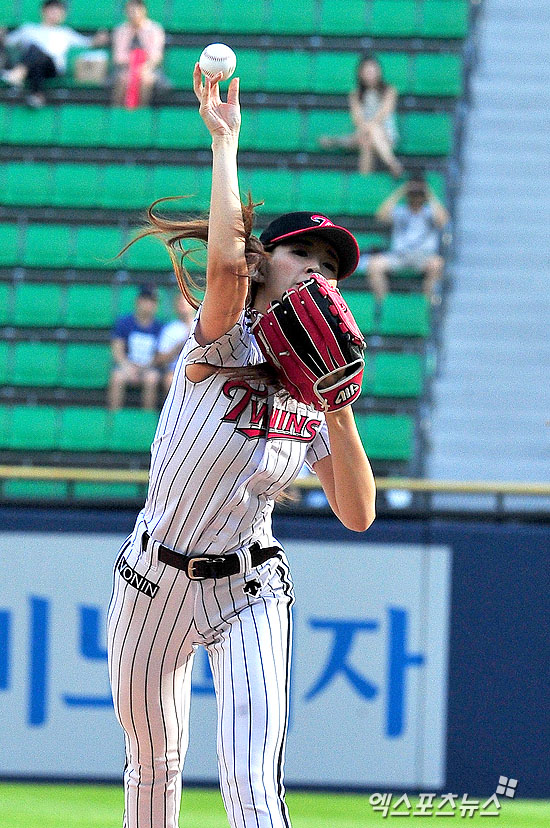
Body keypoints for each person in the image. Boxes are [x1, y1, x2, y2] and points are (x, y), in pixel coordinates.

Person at [107, 65, 376, 828]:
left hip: (250, 585)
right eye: (304, 256)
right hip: (153, 581)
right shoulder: (222, 339)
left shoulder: (315, 388)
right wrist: (224, 143)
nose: (320, 273)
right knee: (154, 770)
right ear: (264, 265)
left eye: (332, 268)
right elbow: (224, 265)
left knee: (254, 784)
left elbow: (358, 514)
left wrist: (339, 408)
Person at [0, 0, 109, 108]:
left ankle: (17, 74)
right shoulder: (28, 29)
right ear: (43, 11)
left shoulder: (65, 32)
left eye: (58, 11)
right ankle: (37, 96)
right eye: (52, 11)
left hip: (52, 69)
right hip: (32, 69)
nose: (55, 14)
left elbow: (87, 42)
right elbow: (8, 41)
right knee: (35, 58)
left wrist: (99, 39)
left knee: (36, 50)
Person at [366, 175, 450, 301]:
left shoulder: (430, 212)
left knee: (437, 264)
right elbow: (380, 215)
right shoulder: (400, 211)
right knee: (374, 265)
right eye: (413, 193)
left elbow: (444, 221)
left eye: (418, 194)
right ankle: (383, 304)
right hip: (399, 255)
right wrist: (402, 191)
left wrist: (428, 193)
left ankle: (427, 304)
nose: (415, 197)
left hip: (424, 257)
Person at [319, 53, 403, 177]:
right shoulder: (355, 95)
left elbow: (384, 113)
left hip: (387, 135)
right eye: (366, 70)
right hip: (364, 134)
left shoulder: (389, 90)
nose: (370, 73)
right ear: (360, 73)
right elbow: (357, 119)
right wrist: (366, 129)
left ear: (378, 71)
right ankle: (391, 165)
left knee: (372, 130)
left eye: (372, 70)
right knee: (367, 141)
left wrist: (367, 129)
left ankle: (337, 142)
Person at [108, 284, 163, 410]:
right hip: (127, 366)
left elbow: (160, 354)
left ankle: (146, 417)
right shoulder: (124, 322)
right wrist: (127, 367)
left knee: (152, 379)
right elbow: (117, 348)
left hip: (148, 367)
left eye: (152, 301)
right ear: (138, 301)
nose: (149, 304)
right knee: (117, 377)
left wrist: (146, 367)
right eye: (146, 300)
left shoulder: (159, 327)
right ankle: (113, 416)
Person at [110, 0, 166, 107]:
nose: (133, 14)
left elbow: (156, 56)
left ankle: (141, 112)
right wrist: (132, 66)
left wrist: (143, 67)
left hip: (149, 68)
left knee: (146, 79)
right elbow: (118, 57)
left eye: (136, 11)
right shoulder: (120, 30)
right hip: (124, 68)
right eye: (130, 11)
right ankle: (117, 111)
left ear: (143, 11)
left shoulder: (154, 29)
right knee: (123, 79)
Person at [156, 292, 194, 395]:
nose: (183, 306)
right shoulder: (170, 329)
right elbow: (160, 360)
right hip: (175, 370)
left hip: (199, 368)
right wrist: (179, 348)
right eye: (180, 303)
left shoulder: (202, 325)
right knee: (170, 380)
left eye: (186, 302)